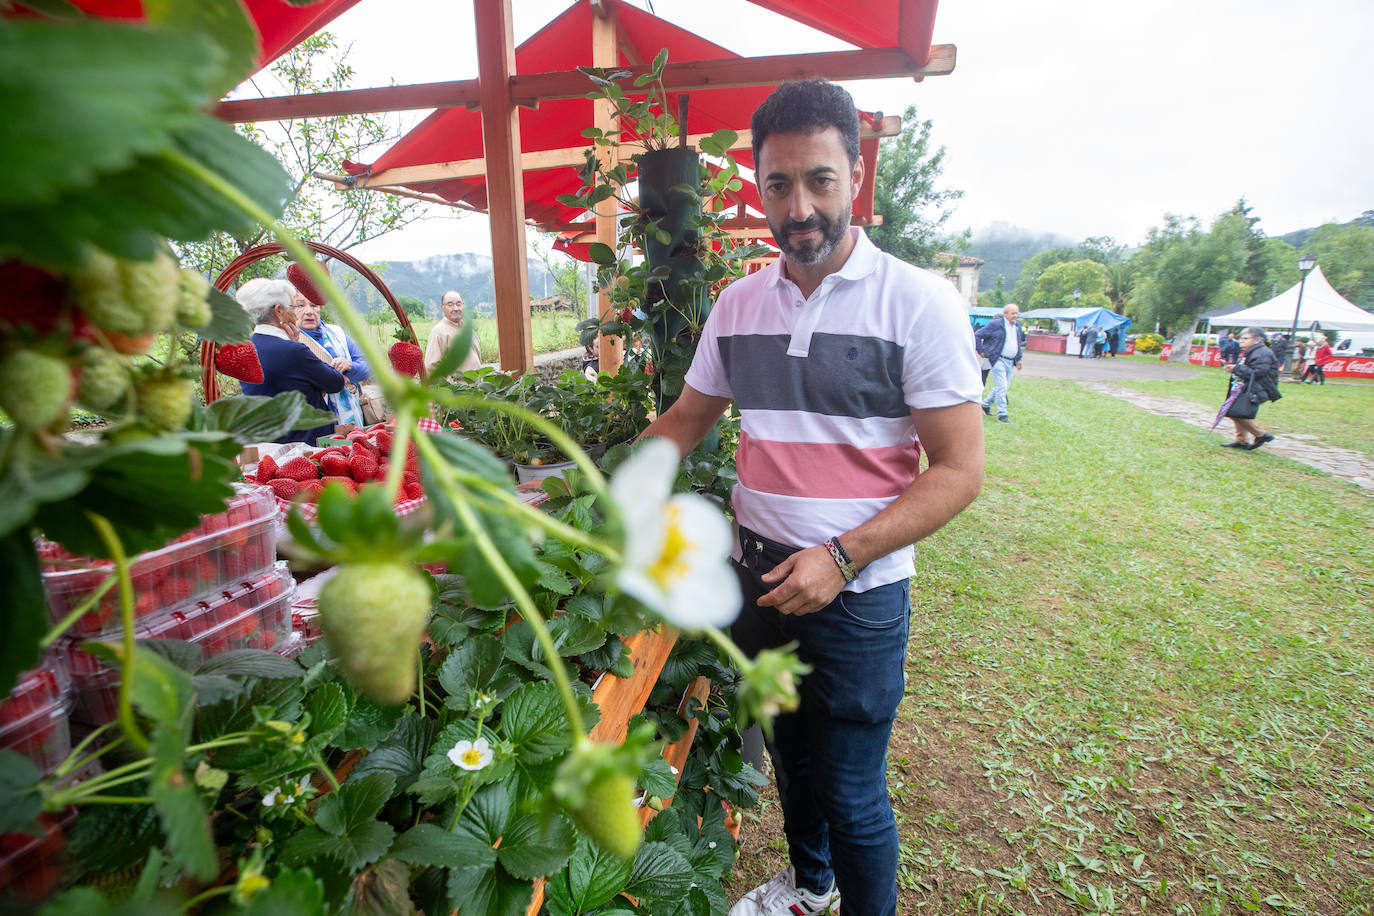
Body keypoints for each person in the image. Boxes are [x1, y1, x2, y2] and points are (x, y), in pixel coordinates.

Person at [638, 79, 984, 916]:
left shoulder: (920, 302)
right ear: (758, 184)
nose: (799, 206)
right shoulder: (738, 304)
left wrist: (841, 557)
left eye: (819, 180)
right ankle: (810, 886)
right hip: (758, 577)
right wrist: (613, 488)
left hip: (858, 593)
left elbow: (959, 470)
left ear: (854, 179)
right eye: (779, 183)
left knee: (854, 789)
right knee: (788, 753)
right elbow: (686, 419)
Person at [235, 278, 345, 444]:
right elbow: (335, 382)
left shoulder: (243, 352)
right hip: (307, 449)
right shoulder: (293, 351)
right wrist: (297, 344)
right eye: (294, 307)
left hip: (271, 446)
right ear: (279, 310)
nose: (295, 313)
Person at [292, 289, 372, 427]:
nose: (309, 311)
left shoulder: (337, 333)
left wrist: (350, 367)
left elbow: (367, 367)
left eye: (313, 305)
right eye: (300, 306)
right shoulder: (290, 339)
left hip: (352, 415)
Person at [1220, 326, 1281, 450]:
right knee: (1236, 411)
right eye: (1241, 338)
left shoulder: (1262, 353)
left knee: (1236, 412)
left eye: (1246, 338)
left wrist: (1236, 368)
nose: (1242, 341)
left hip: (1258, 387)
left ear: (1257, 340)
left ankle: (1261, 434)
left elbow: (1258, 372)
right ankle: (1241, 440)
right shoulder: (1252, 352)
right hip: (1248, 386)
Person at [975, 303, 1026, 423]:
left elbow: (1017, 343)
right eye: (1012, 313)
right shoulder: (995, 325)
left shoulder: (1017, 327)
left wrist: (1019, 359)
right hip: (998, 359)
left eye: (1016, 313)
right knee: (1002, 386)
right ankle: (1002, 413)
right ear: (1005, 314)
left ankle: (986, 404)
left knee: (1003, 386)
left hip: (1010, 360)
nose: (1015, 316)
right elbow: (978, 335)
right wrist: (981, 351)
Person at [424, 290, 483, 377]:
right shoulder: (438, 332)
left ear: (463, 306)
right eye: (450, 305)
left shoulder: (469, 330)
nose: (455, 308)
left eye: (458, 304)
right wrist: (451, 386)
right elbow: (431, 367)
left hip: (476, 387)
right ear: (442, 308)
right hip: (457, 389)